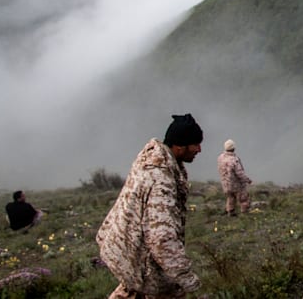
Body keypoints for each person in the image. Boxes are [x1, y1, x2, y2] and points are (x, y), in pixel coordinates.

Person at [96, 114, 204, 299]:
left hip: (126, 250)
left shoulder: (151, 159)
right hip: (140, 259)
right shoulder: (161, 180)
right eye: (195, 144)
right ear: (179, 146)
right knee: (167, 292)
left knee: (131, 290)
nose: (199, 149)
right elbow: (161, 238)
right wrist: (186, 277)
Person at [217, 139, 252, 216]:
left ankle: (231, 212)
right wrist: (247, 180)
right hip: (236, 184)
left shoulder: (220, 158)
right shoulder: (234, 159)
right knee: (243, 199)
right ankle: (245, 214)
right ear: (233, 148)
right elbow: (239, 173)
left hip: (225, 184)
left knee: (230, 198)